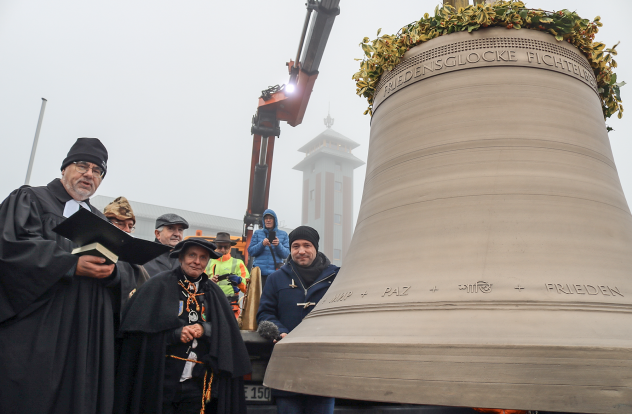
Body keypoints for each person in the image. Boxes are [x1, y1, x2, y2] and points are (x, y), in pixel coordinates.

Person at [0, 138, 119, 414]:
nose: (89, 174)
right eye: (82, 166)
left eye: (97, 171)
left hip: (85, 337)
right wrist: (69, 264)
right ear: (64, 168)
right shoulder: (30, 199)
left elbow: (120, 269)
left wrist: (114, 274)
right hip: (39, 332)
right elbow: (9, 246)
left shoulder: (100, 221)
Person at [114, 238, 250, 414]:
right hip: (162, 382)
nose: (197, 261)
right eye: (192, 255)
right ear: (180, 258)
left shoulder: (214, 292)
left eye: (203, 257)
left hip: (198, 386)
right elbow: (137, 335)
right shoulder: (157, 285)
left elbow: (227, 333)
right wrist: (174, 334)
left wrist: (205, 329)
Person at [257, 226, 339, 414]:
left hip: (323, 367)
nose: (301, 251)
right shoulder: (275, 279)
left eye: (307, 245)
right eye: (295, 246)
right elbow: (265, 313)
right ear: (290, 250)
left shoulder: (336, 278)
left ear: (315, 248)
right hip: (287, 367)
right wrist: (279, 331)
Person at [103, 196, 150, 317]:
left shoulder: (136, 262)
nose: (127, 230)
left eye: (130, 226)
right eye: (121, 224)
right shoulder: (93, 251)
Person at [205, 232, 250, 319]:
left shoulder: (238, 263)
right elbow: (197, 284)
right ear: (215, 246)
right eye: (219, 246)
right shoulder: (207, 262)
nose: (222, 249)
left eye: (225, 247)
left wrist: (239, 281)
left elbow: (248, 289)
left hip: (232, 307)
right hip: (211, 305)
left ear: (230, 247)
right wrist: (209, 282)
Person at [247, 209, 289, 286]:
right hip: (259, 274)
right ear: (263, 220)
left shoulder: (283, 234)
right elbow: (251, 252)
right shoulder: (257, 233)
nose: (268, 220)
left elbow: (286, 254)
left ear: (275, 220)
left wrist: (278, 245)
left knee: (273, 297)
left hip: (275, 274)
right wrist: (262, 244)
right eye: (266, 218)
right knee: (259, 297)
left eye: (270, 218)